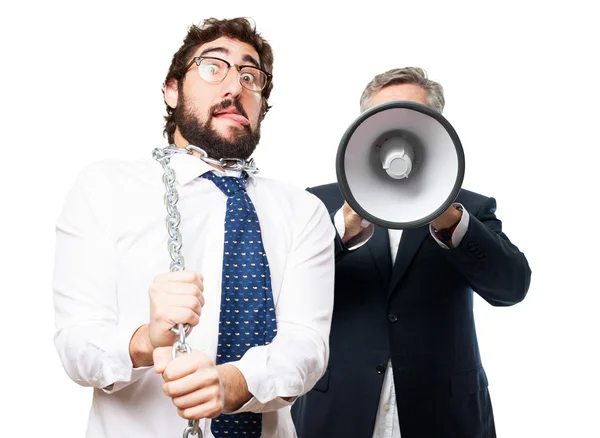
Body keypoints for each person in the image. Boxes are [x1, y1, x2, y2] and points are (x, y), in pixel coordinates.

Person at [52, 17, 335, 438]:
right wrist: (146, 341)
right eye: (212, 67)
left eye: (250, 76)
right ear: (172, 90)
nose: (234, 87)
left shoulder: (303, 211)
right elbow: (76, 346)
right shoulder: (104, 188)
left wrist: (233, 384)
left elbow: (307, 347)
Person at [291, 67, 532, 438]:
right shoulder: (321, 203)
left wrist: (452, 222)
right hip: (340, 411)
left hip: (445, 414)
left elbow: (512, 288)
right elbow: (286, 290)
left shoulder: (469, 208)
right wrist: (340, 231)